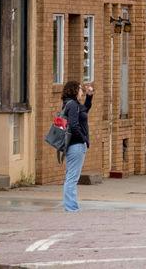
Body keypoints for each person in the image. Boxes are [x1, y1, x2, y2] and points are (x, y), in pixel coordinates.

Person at [61, 80, 93, 212]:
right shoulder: (73, 105)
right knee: (72, 177)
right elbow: (74, 125)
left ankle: (71, 206)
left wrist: (89, 96)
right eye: (80, 89)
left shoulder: (71, 104)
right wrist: (84, 139)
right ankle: (71, 207)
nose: (82, 91)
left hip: (74, 145)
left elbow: (84, 111)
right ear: (75, 90)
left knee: (71, 176)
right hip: (76, 145)